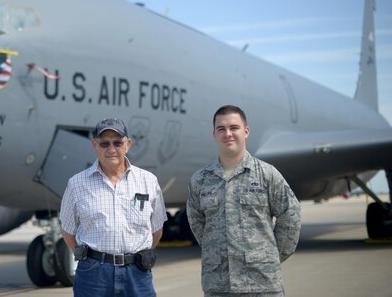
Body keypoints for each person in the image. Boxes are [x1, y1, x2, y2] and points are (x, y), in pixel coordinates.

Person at [186, 105, 301, 296]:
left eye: (234, 128)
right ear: (214, 134)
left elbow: (291, 217)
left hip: (262, 284)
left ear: (246, 132)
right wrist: (218, 253)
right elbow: (198, 225)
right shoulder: (200, 180)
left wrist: (267, 256)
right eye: (221, 129)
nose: (228, 134)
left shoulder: (266, 174)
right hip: (219, 286)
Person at [60, 117, 167, 296]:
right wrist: (93, 259)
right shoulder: (76, 184)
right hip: (94, 275)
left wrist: (134, 257)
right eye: (104, 143)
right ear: (94, 145)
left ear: (128, 144)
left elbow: (156, 230)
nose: (111, 149)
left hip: (137, 274)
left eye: (118, 142)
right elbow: (68, 231)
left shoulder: (148, 181)